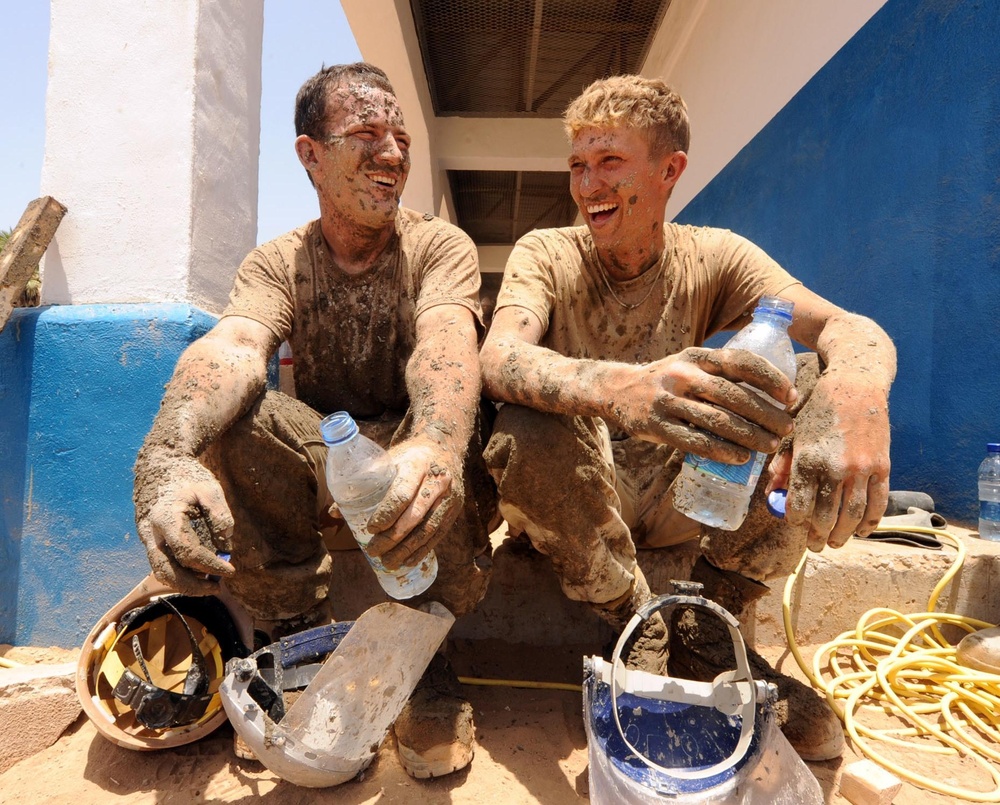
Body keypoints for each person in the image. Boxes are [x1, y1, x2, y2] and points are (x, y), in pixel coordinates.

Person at [480, 74, 896, 762]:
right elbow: (499, 358)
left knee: (815, 381)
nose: (588, 186)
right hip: (585, 494)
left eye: (610, 162)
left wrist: (857, 391)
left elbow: (846, 329)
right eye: (578, 166)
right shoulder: (546, 253)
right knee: (523, 427)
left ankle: (712, 624)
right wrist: (623, 387)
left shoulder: (717, 256)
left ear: (669, 170)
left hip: (685, 497)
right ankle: (633, 620)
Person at [133, 62, 497, 779]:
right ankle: (296, 637)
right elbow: (235, 348)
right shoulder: (278, 263)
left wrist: (436, 446)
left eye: (400, 137)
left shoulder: (437, 246)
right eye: (366, 134)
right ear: (311, 155)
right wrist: (166, 457)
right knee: (239, 421)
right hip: (328, 453)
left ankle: (425, 652)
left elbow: (447, 344)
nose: (393, 154)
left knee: (460, 427)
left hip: (404, 445)